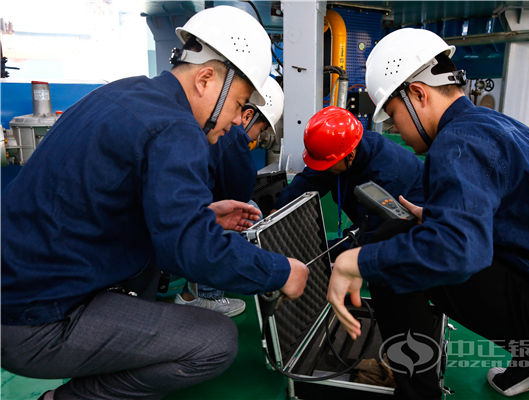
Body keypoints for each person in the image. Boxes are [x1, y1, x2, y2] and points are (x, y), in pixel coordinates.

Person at [1, 6, 309, 400]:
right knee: (214, 342)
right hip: (34, 322)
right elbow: (193, 253)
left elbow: (108, 203)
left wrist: (203, 216)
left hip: (17, 291)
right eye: (238, 103)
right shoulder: (176, 129)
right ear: (206, 79)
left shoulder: (123, 94)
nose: (236, 120)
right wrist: (280, 271)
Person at [326, 28, 529, 399]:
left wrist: (355, 261)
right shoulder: (494, 125)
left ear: (418, 95)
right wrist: (441, 217)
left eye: (393, 117)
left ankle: (417, 391)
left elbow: (459, 253)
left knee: (393, 249)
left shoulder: (457, 142)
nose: (397, 132)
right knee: (421, 239)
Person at [175, 76, 284, 316]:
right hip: (192, 218)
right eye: (261, 129)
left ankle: (191, 290)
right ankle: (204, 296)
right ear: (247, 116)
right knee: (246, 213)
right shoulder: (235, 138)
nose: (257, 137)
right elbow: (239, 196)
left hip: (186, 206)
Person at [274, 106, 424, 251]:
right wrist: (279, 210)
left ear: (350, 156)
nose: (323, 170)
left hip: (413, 236)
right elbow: (309, 179)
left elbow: (367, 235)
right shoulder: (343, 147)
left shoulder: (384, 175)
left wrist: (320, 252)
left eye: (327, 166)